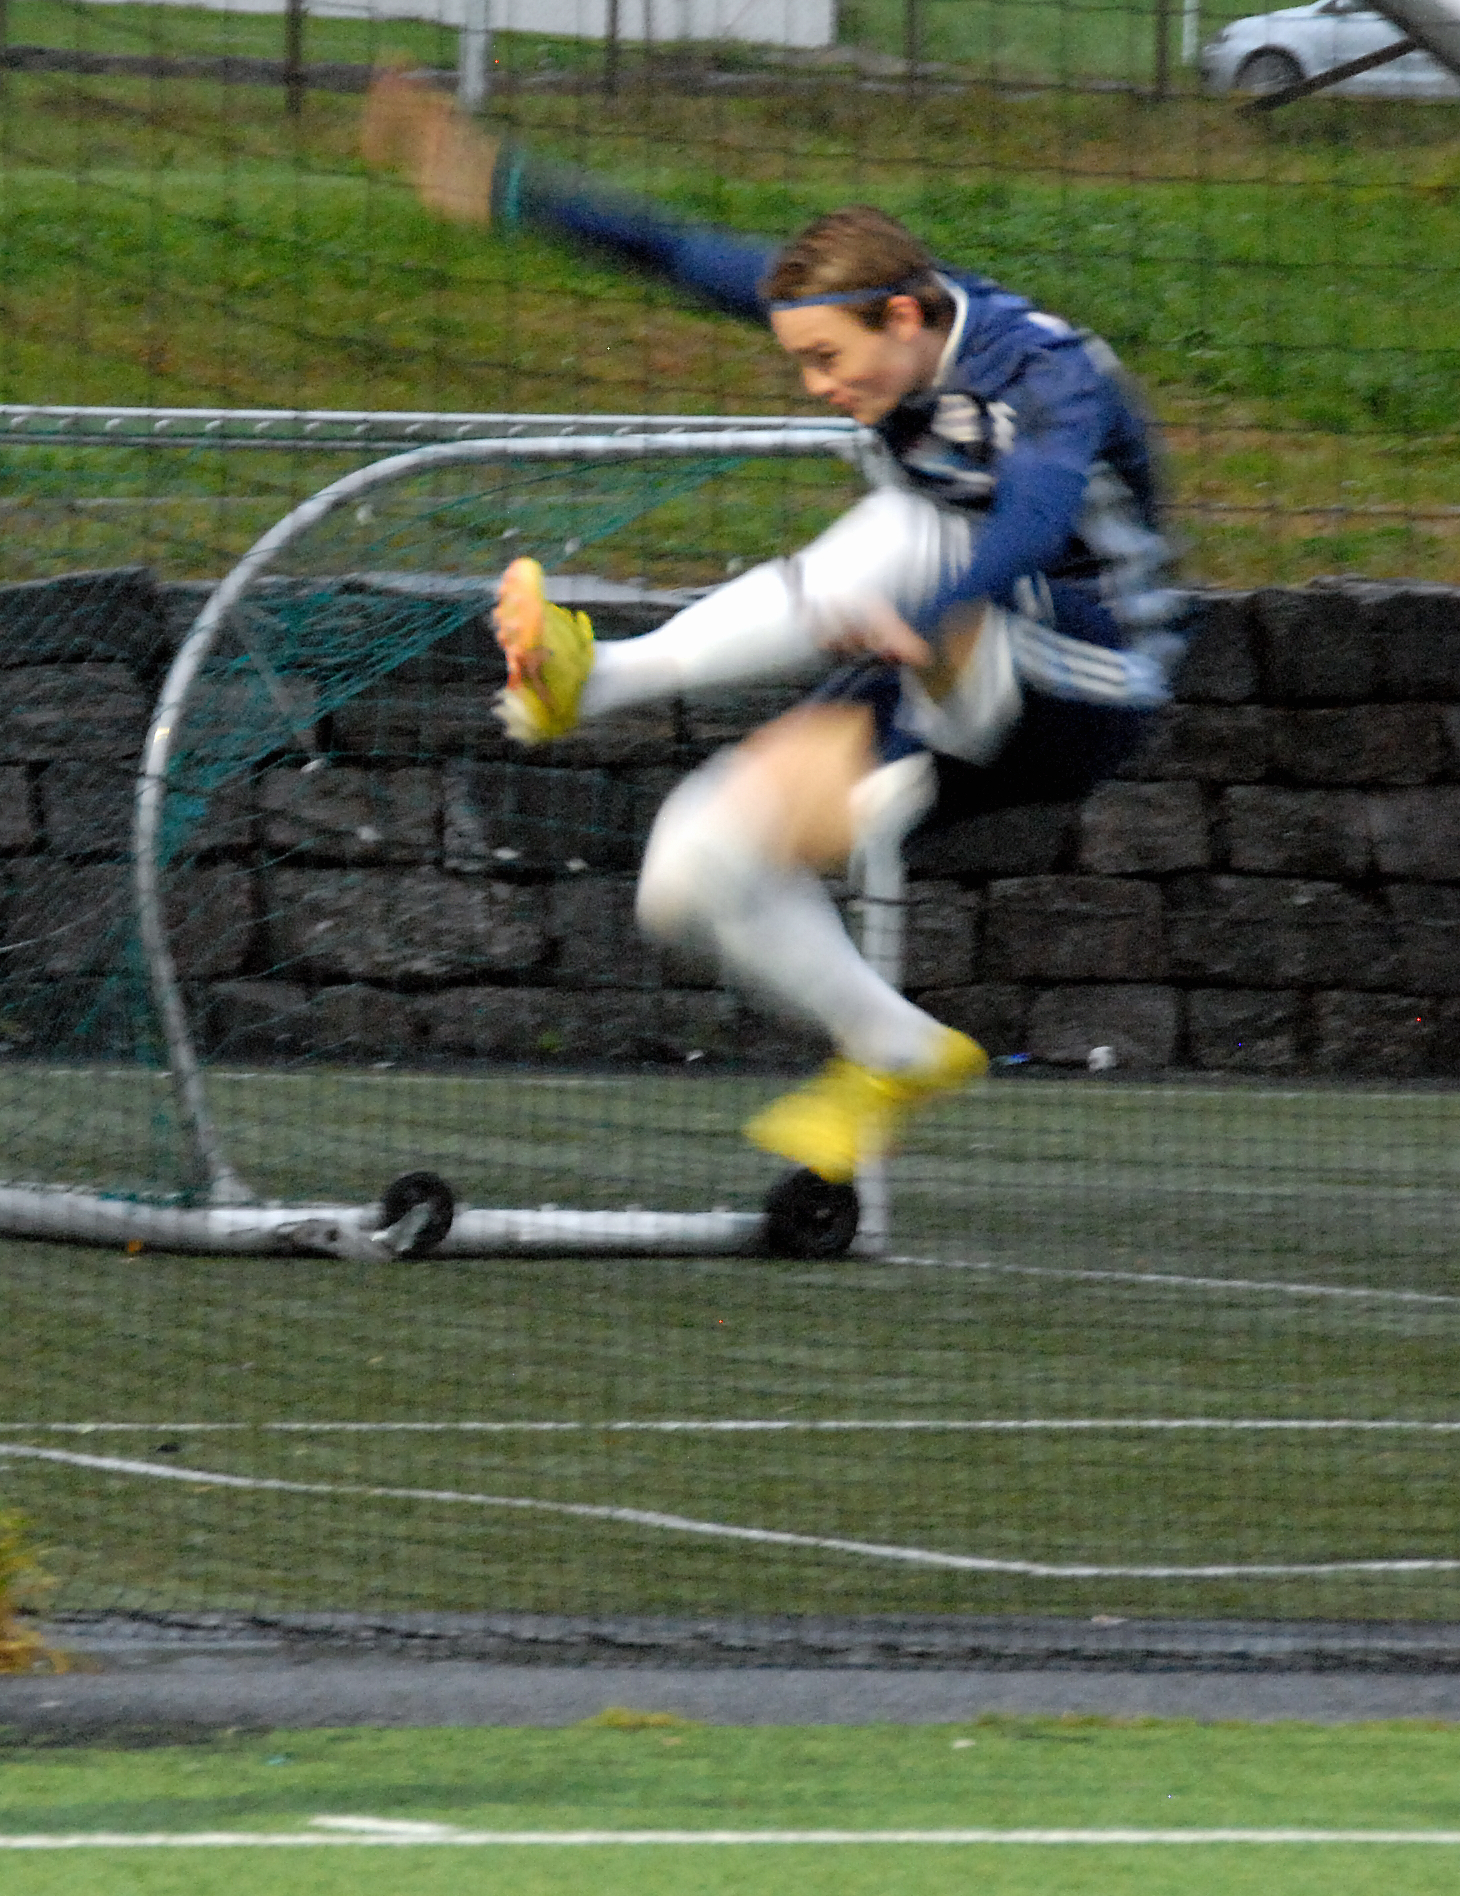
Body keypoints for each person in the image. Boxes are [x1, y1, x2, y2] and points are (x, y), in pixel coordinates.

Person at [363, 76, 1182, 1184]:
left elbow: (1033, 519)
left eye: (826, 363)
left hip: (1088, 675)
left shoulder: (1042, 373)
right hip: (950, 654)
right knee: (695, 866)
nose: (813, 388)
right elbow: (667, 246)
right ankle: (895, 1048)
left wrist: (932, 617)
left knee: (915, 530)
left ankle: (602, 674)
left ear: (903, 316)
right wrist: (505, 186)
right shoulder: (867, 318)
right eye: (798, 360)